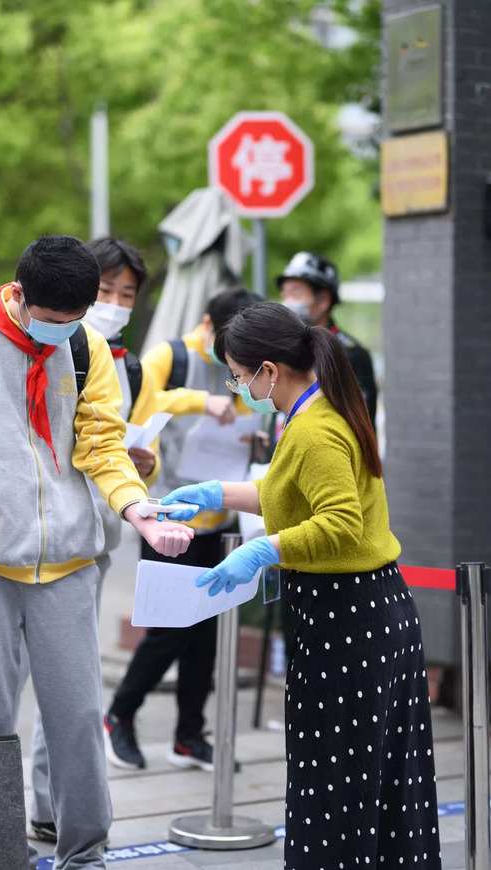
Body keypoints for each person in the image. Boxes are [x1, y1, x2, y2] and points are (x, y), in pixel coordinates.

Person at [0, 235, 193, 870]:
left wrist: (137, 509)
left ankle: (84, 854)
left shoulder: (85, 344)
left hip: (69, 564)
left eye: (73, 323)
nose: (61, 334)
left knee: (75, 720)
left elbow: (102, 444)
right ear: (19, 296)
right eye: (51, 323)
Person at [161, 301, 442, 869]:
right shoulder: (314, 411)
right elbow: (287, 495)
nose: (236, 385)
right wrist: (215, 494)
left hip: (353, 623)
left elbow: (340, 523)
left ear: (269, 369)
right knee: (363, 783)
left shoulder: (316, 429)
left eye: (238, 375)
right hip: (356, 617)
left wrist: (266, 550)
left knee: (339, 787)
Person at [26, 236, 162, 845]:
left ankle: (54, 807)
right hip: (27, 534)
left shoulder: (125, 362)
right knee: (44, 677)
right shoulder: (32, 344)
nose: (113, 302)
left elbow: (110, 446)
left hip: (98, 532)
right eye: (105, 290)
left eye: (125, 294)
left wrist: (141, 468)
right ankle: (41, 804)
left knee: (70, 677)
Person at [104, 286, 258, 773]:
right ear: (209, 327)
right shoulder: (168, 355)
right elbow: (137, 408)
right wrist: (202, 401)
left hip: (222, 517)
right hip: (166, 516)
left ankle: (189, 735)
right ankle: (119, 717)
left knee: (207, 634)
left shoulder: (249, 358)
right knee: (167, 628)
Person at [276, 251, 377, 427]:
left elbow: (359, 425)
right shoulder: (281, 346)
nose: (287, 302)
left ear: (323, 300)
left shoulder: (350, 355)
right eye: (284, 294)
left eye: (296, 293)